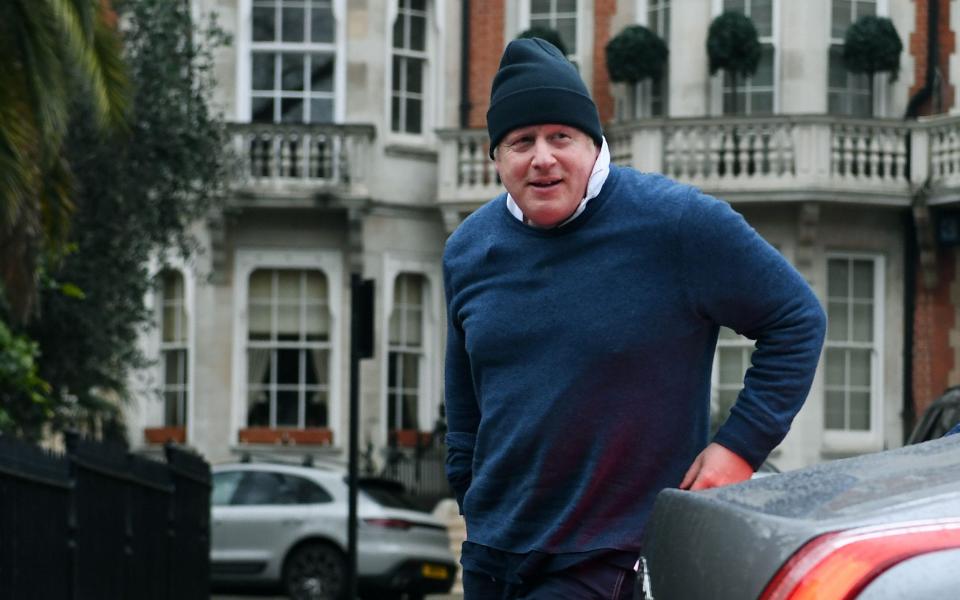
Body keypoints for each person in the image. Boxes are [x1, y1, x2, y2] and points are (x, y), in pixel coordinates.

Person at [442, 38, 826, 599]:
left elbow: (796, 319)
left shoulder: (676, 223)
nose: (542, 157)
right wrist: (468, 485)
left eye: (561, 137)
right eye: (521, 141)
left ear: (595, 146)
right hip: (492, 555)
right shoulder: (468, 248)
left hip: (609, 555)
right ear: (495, 159)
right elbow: (465, 389)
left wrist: (739, 447)